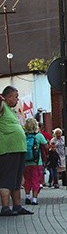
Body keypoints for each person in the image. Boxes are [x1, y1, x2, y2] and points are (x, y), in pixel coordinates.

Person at [0, 86, 33, 216]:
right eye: (15, 96)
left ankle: (17, 206)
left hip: (18, 148)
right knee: (7, 179)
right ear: (8, 97)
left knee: (17, 180)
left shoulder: (11, 110)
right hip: (8, 149)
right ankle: (5, 207)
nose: (17, 99)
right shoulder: (2, 106)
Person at [22, 117, 48, 206]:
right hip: (37, 162)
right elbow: (46, 147)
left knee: (27, 180)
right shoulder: (39, 136)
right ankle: (34, 199)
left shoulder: (23, 135)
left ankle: (27, 196)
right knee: (36, 180)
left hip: (25, 162)